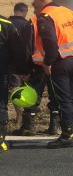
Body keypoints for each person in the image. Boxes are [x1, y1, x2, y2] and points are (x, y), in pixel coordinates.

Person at [32, 0, 73, 149]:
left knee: (63, 100)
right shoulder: (67, 11)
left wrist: (47, 63)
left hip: (60, 61)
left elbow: (51, 43)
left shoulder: (45, 16)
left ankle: (67, 135)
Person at [12, 2, 61, 137]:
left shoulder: (33, 22)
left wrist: (25, 70)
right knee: (55, 96)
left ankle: (28, 127)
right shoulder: (61, 20)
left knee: (31, 96)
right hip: (57, 64)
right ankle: (54, 127)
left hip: (38, 66)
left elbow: (26, 49)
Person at [0, 14, 29, 152]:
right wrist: (22, 70)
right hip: (2, 71)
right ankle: (1, 140)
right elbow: (18, 50)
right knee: (1, 105)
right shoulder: (6, 23)